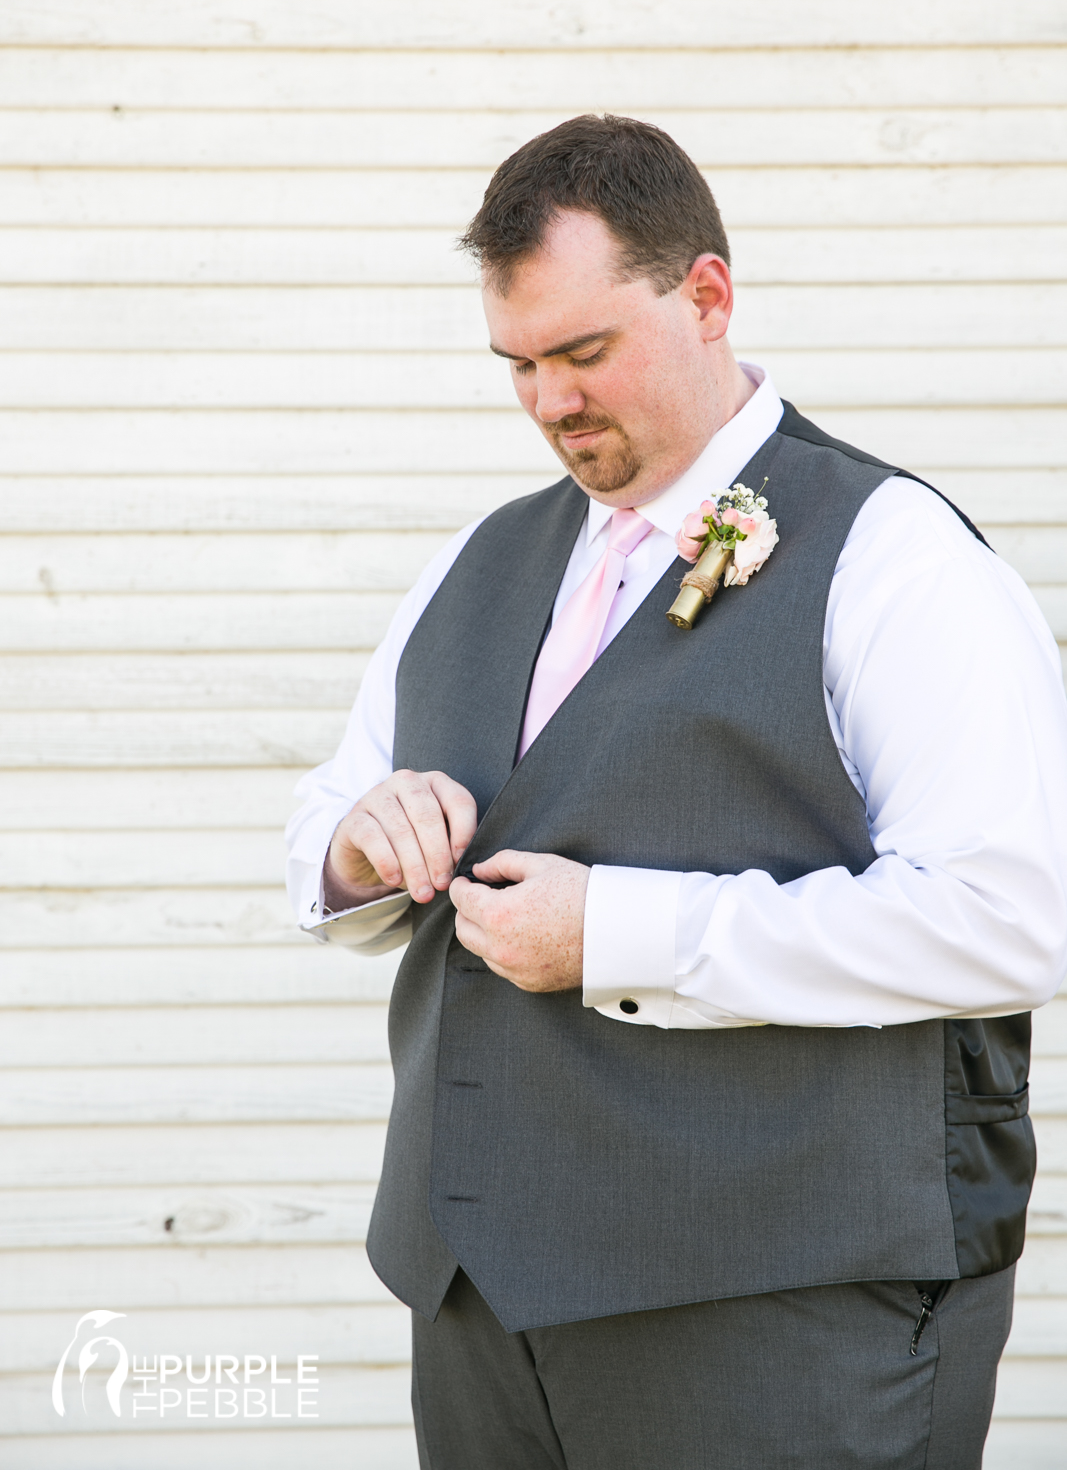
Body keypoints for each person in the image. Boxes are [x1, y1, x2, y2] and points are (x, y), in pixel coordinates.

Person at [286, 115, 1067, 1469]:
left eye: (584, 354)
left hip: (786, 1314)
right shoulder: (480, 562)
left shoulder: (896, 556)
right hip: (478, 1308)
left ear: (708, 295)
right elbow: (331, 818)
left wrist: (626, 936)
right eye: (518, 365)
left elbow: (1019, 913)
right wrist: (358, 849)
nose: (549, 403)